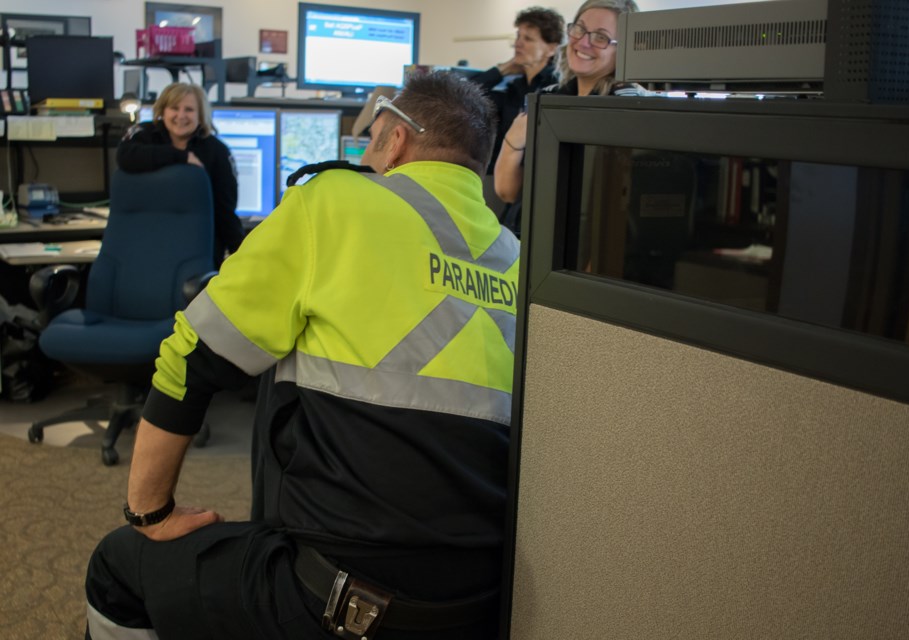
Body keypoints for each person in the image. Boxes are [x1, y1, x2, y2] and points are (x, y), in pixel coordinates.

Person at [85, 72, 519, 640]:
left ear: (395, 140)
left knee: (119, 565)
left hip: (337, 601)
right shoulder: (520, 260)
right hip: (479, 605)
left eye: (369, 141)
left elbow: (192, 356)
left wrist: (151, 512)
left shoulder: (334, 202)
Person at [494, 0, 640, 235]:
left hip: (580, 245)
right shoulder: (548, 96)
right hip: (530, 236)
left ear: (624, 50)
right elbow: (507, 191)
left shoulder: (626, 103)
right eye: (580, 29)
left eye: (601, 37)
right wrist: (514, 139)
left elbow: (614, 209)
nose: (583, 42)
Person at [116, 82, 244, 268]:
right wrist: (181, 157)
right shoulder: (143, 135)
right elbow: (124, 156)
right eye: (174, 108)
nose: (181, 116)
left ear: (200, 115)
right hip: (147, 247)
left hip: (198, 252)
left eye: (189, 110)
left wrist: (242, 259)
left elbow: (225, 212)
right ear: (163, 110)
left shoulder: (217, 152)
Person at [471, 6, 565, 174]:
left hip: (536, 177)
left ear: (552, 48)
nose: (518, 43)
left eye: (528, 39)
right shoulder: (514, 88)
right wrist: (502, 70)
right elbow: (466, 94)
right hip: (500, 176)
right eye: (518, 36)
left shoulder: (557, 87)